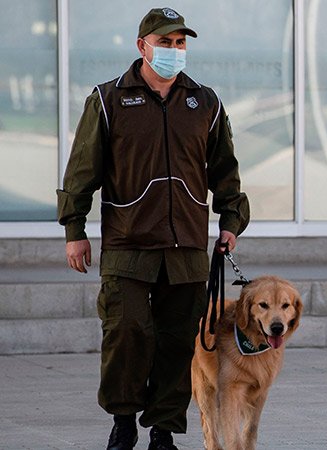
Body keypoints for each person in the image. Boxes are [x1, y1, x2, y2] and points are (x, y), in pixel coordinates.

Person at [56, 7, 249, 450]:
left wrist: (231, 221)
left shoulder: (205, 102)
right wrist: (74, 230)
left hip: (187, 248)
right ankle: (123, 422)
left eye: (181, 43)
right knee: (126, 334)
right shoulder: (108, 100)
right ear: (142, 46)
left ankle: (163, 431)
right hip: (128, 244)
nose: (174, 50)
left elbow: (225, 171)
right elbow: (82, 170)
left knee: (178, 343)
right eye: (165, 42)